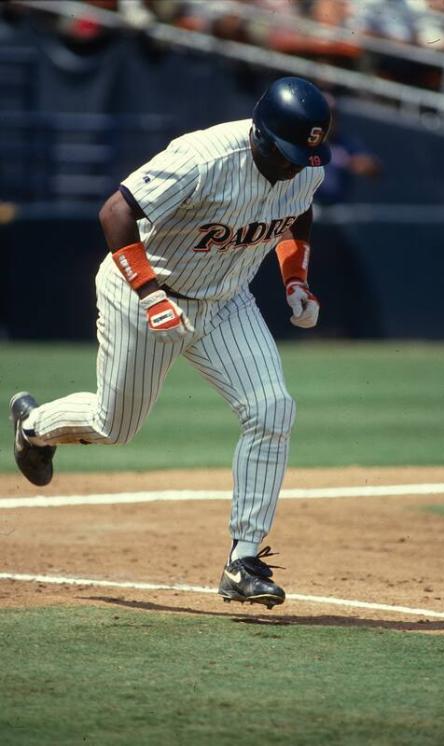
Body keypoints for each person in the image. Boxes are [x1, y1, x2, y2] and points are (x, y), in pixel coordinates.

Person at [10, 76, 332, 610]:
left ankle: (243, 559)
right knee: (116, 427)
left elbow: (296, 213)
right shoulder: (203, 158)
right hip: (143, 289)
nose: (297, 165)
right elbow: (115, 213)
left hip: (226, 298)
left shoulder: (302, 168)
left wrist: (295, 279)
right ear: (260, 134)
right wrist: (151, 294)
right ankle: (34, 427)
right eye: (289, 154)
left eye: (306, 156)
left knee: (272, 409)